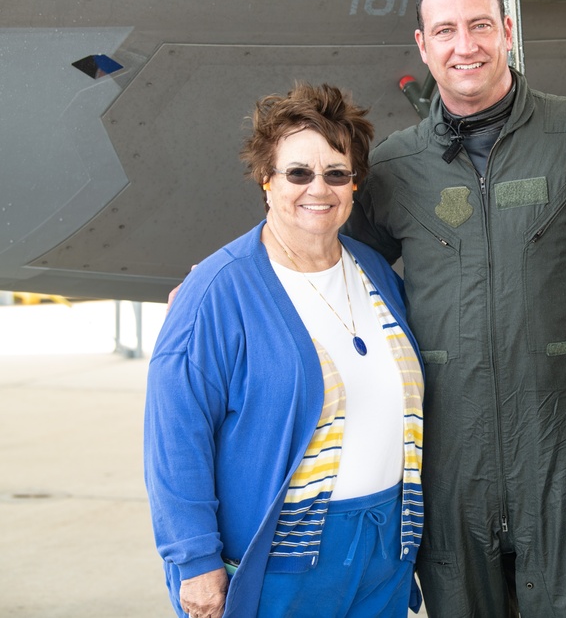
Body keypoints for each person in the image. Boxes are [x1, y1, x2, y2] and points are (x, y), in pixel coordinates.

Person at [345, 0, 566, 617]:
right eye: (447, 30)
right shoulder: (396, 168)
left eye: (481, 25)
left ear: (508, 32)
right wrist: (212, 285)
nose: (466, 45)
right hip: (453, 473)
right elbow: (322, 254)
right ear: (424, 45)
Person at [144, 83, 424, 618]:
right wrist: (194, 562)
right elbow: (174, 439)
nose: (318, 188)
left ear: (354, 183)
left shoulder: (375, 273)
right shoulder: (216, 290)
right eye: (298, 172)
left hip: (385, 551)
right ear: (266, 179)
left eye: (336, 173)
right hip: (283, 562)